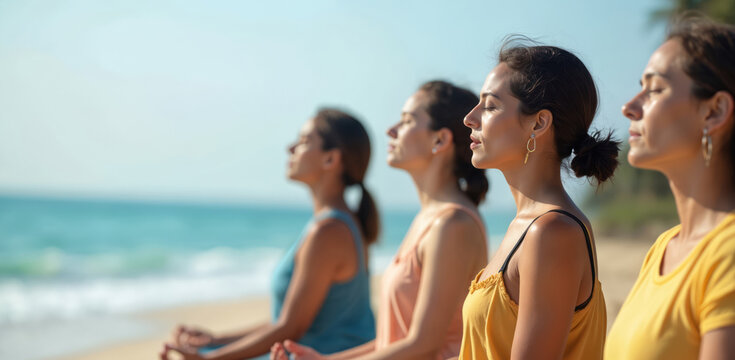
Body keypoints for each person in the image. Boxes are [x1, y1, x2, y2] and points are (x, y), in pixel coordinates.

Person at [271, 80, 489, 360]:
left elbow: (423, 346)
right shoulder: (430, 218)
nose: (391, 130)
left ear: (440, 140)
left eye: (407, 120)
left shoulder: (453, 224)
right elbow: (393, 341)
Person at [160, 108, 378, 360]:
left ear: (331, 159)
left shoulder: (329, 231)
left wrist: (211, 358)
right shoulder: (334, 224)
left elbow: (290, 329)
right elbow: (285, 321)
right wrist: (215, 341)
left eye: (304, 141)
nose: (291, 148)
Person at [458, 40, 619, 360]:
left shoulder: (552, 232)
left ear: (539, 123)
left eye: (489, 106)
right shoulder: (529, 226)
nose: (470, 118)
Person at [605, 17, 735, 359]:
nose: (629, 107)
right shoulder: (664, 247)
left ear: (715, 111)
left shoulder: (729, 252)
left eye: (655, 89)